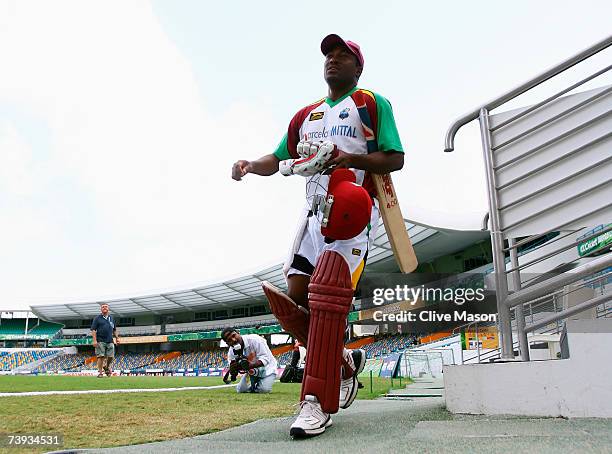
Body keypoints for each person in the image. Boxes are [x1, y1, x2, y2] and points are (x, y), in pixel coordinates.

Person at [231, 34, 403, 437]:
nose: (333, 60)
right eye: (329, 55)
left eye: (343, 55)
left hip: (350, 212)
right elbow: (278, 157)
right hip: (312, 215)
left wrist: (351, 158)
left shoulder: (370, 104)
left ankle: (315, 403)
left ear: (358, 68)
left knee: (328, 298)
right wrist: (250, 166)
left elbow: (395, 158)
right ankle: (341, 363)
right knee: (296, 298)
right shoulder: (306, 115)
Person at [222, 328, 278, 393]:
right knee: (240, 390)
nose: (234, 340)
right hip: (252, 372)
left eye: (234, 335)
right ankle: (254, 386)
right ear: (228, 344)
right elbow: (234, 368)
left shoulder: (255, 340)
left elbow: (265, 359)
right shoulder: (232, 351)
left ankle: (256, 386)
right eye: (229, 340)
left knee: (264, 390)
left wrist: (249, 365)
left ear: (238, 332)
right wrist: (234, 370)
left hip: (268, 369)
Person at [90, 304, 120, 378]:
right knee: (101, 356)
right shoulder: (97, 318)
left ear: (108, 308)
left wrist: (117, 338)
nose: (104, 308)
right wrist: (94, 340)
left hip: (110, 340)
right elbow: (93, 330)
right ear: (101, 309)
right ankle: (100, 373)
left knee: (111, 356)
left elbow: (114, 329)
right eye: (103, 307)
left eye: (106, 307)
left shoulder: (111, 318)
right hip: (100, 340)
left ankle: (106, 367)